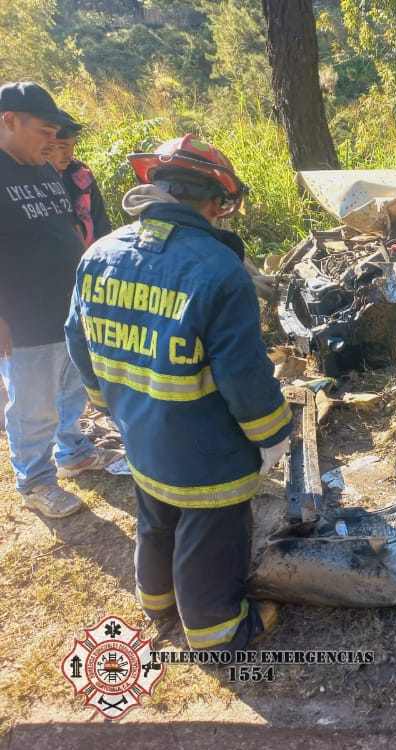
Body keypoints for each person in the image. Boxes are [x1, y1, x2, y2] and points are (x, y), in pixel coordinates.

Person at [65, 134, 290, 651]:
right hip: (207, 445)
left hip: (141, 432)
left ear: (156, 188)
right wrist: (273, 433)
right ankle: (219, 631)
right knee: (211, 533)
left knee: (157, 516)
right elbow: (242, 374)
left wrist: (109, 403)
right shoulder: (219, 270)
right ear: (215, 202)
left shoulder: (99, 253)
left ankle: (157, 601)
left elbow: (77, 336)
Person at [0, 81, 121, 519]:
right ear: (9, 120)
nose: (53, 141)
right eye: (44, 131)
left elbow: (68, 228)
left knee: (73, 389)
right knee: (33, 404)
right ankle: (35, 481)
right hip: (25, 316)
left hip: (70, 309)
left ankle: (72, 452)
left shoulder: (39, 168)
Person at [48, 115, 112, 249]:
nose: (69, 154)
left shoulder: (81, 174)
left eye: (73, 146)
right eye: (62, 147)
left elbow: (101, 225)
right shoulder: (29, 178)